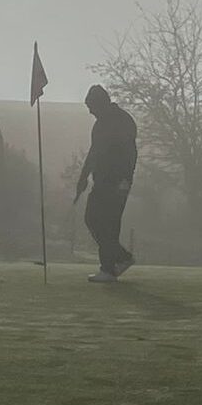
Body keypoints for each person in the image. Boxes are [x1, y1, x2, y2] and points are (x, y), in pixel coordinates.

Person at [75, 85, 138, 283]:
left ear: (100, 103)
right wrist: (83, 178)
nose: (90, 111)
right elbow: (94, 153)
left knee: (108, 224)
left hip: (117, 182)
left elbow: (130, 154)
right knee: (92, 219)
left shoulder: (122, 121)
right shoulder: (101, 124)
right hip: (101, 181)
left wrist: (125, 180)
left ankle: (109, 269)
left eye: (91, 106)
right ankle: (120, 258)